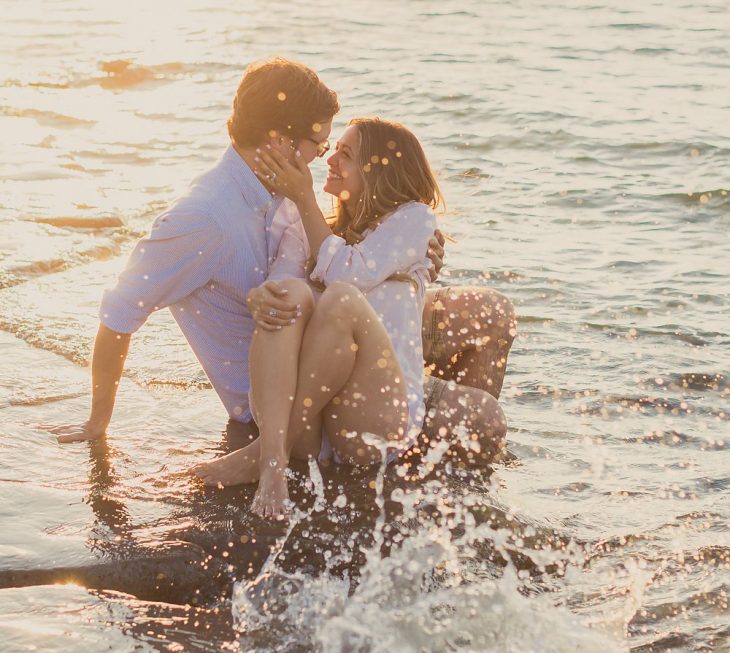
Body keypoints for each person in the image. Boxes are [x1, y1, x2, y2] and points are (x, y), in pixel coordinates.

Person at [44, 57, 515, 483]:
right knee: (482, 415)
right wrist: (97, 422)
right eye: (319, 141)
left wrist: (408, 258)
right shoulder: (202, 218)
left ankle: (440, 462)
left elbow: (332, 247)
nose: (324, 153)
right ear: (278, 139)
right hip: (296, 376)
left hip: (340, 326)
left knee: (489, 314)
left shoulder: (281, 189)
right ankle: (414, 440)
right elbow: (120, 312)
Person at [190, 117, 505, 518]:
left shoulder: (414, 219)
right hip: (316, 433)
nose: (331, 160)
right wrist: (264, 295)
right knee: (289, 294)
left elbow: (347, 276)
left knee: (339, 297)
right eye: (333, 149)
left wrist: (304, 199)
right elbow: (284, 287)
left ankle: (270, 452)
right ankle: (276, 455)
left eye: (347, 154)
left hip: (375, 420)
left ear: (380, 168)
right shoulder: (310, 229)